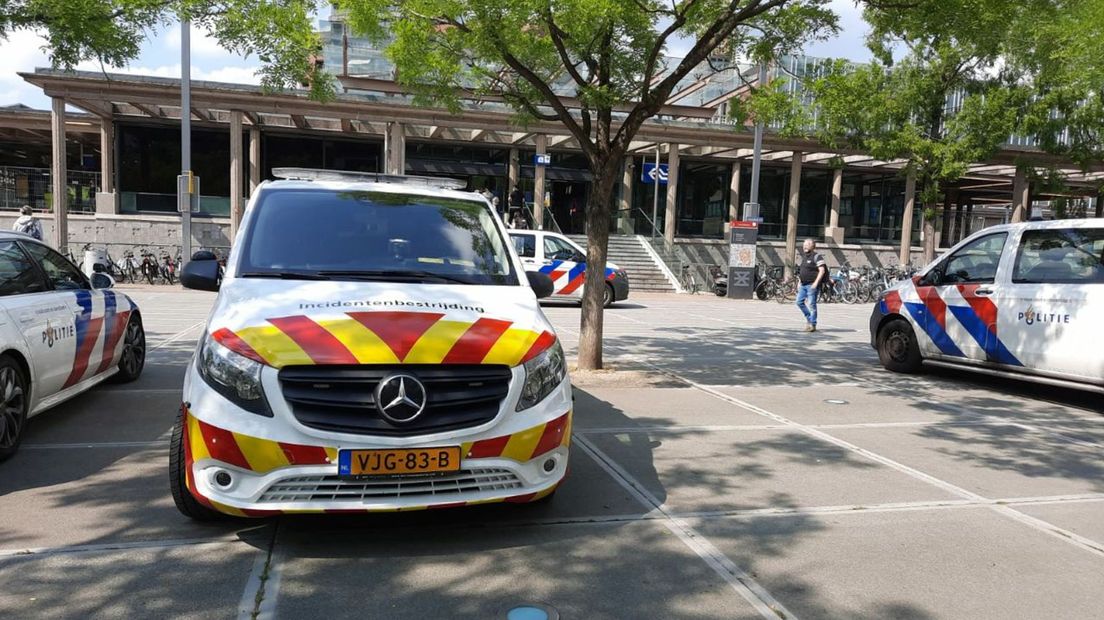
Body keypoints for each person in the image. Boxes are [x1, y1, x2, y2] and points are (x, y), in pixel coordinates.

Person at [795, 238, 827, 332]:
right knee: (799, 302)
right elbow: (802, 271)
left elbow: (822, 270)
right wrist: (799, 282)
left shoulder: (817, 256)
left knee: (812, 305)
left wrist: (816, 283)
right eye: (804, 244)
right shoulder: (805, 257)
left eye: (807, 244)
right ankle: (809, 319)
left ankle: (812, 324)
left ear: (812, 246)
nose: (805, 246)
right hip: (803, 285)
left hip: (811, 285)